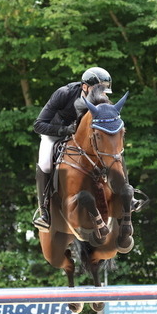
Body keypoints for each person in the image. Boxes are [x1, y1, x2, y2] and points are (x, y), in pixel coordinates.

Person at [32, 67, 113, 231]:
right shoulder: (64, 94)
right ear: (85, 87)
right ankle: (44, 212)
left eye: (104, 91)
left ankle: (125, 193)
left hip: (82, 138)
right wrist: (64, 130)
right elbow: (38, 125)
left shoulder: (101, 100)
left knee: (112, 151)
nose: (102, 95)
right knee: (45, 163)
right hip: (55, 133)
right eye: (99, 90)